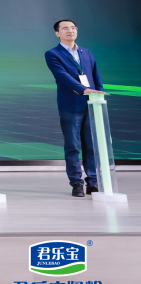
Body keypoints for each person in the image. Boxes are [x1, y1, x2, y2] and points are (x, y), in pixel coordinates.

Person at [44, 19, 105, 197]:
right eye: (65, 28)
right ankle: (76, 183)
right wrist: (83, 89)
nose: (70, 31)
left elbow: (96, 75)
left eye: (73, 28)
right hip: (70, 105)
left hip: (91, 104)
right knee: (72, 146)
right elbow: (62, 76)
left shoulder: (86, 52)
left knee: (91, 146)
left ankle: (92, 182)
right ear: (57, 33)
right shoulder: (53, 54)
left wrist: (99, 94)